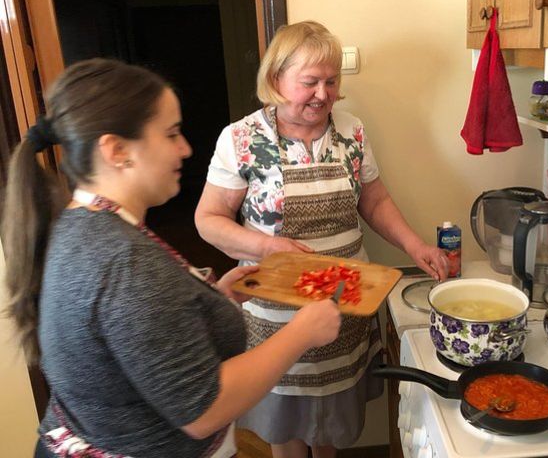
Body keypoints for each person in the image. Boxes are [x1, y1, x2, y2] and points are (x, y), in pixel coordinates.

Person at [1, 58, 341, 458]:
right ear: (117, 151)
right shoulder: (124, 260)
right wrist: (303, 331)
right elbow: (204, 409)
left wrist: (214, 296)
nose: (185, 149)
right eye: (171, 134)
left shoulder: (83, 224)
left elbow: (135, 335)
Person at [195, 20, 449, 458]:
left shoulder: (351, 132)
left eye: (331, 82)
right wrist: (266, 247)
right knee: (286, 431)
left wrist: (416, 246)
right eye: (309, 82)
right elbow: (208, 219)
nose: (323, 94)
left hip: (342, 302)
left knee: (331, 425)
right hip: (274, 315)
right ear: (276, 80)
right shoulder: (240, 138)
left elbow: (374, 200)